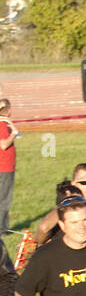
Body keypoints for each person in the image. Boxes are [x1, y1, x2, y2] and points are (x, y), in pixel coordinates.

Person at [35, 163, 86, 243]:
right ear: (73, 184)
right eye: (83, 182)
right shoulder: (64, 211)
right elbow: (42, 231)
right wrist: (70, 203)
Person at [0, 98, 16, 233]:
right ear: (9, 110)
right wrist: (14, 134)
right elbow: (4, 144)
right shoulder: (2, 125)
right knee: (4, 198)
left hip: (4, 166)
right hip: (4, 167)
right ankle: (2, 229)